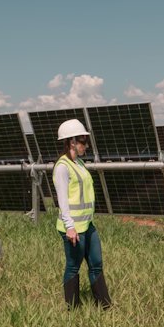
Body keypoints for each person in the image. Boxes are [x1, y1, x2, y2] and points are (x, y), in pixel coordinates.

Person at [53, 119, 112, 309]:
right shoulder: (62, 166)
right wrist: (70, 227)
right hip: (73, 228)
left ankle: (104, 305)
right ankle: (72, 308)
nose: (86, 146)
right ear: (72, 142)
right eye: (83, 141)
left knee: (96, 263)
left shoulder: (78, 163)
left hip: (88, 224)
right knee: (73, 266)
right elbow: (62, 200)